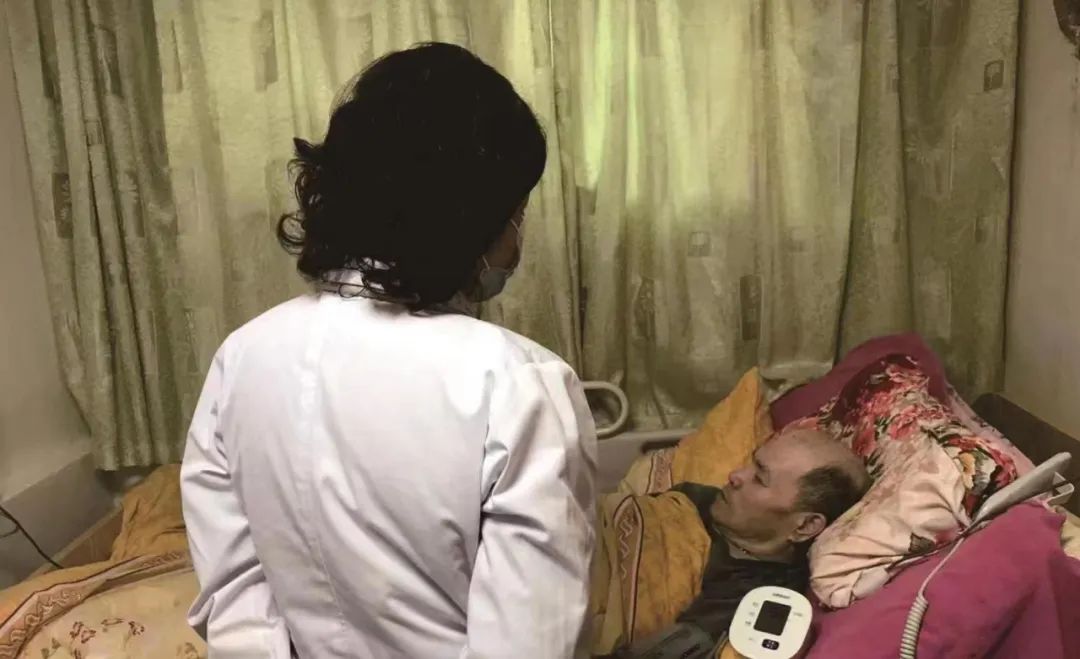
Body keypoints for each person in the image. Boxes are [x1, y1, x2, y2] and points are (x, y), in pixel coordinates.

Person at [180, 43, 597, 659]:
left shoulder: (240, 358)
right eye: (518, 214)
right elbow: (530, 642)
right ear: (474, 217)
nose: (517, 243)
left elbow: (237, 606)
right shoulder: (518, 383)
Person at [607, 428, 870, 659]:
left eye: (760, 479)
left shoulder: (748, 600)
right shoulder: (703, 498)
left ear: (804, 526)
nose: (735, 475)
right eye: (750, 464)